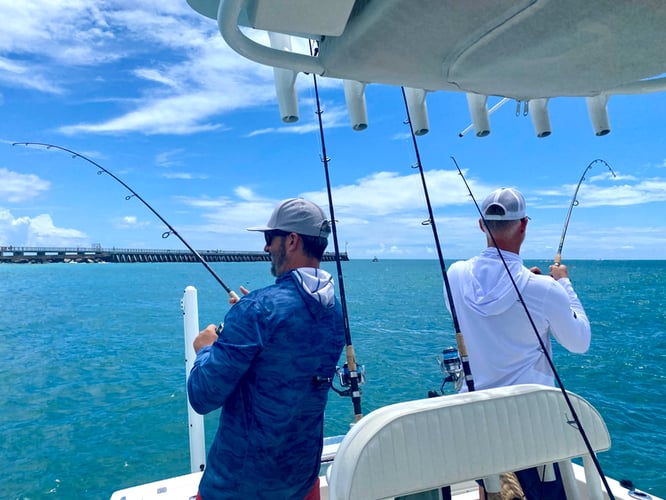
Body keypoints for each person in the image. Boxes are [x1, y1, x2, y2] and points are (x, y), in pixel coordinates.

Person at [187, 198, 346, 500]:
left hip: (240, 489)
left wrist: (206, 347)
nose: (265, 248)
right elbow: (285, 352)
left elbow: (203, 396)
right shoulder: (335, 311)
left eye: (269, 238)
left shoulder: (257, 310)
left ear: (292, 240)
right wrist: (246, 318)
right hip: (302, 483)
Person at [445, 187, 591, 499]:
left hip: (476, 421)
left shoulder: (454, 275)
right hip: (530, 427)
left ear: (481, 225)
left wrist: (535, 285)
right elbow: (580, 341)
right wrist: (563, 284)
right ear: (523, 225)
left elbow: (488, 311)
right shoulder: (545, 290)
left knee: (493, 489)